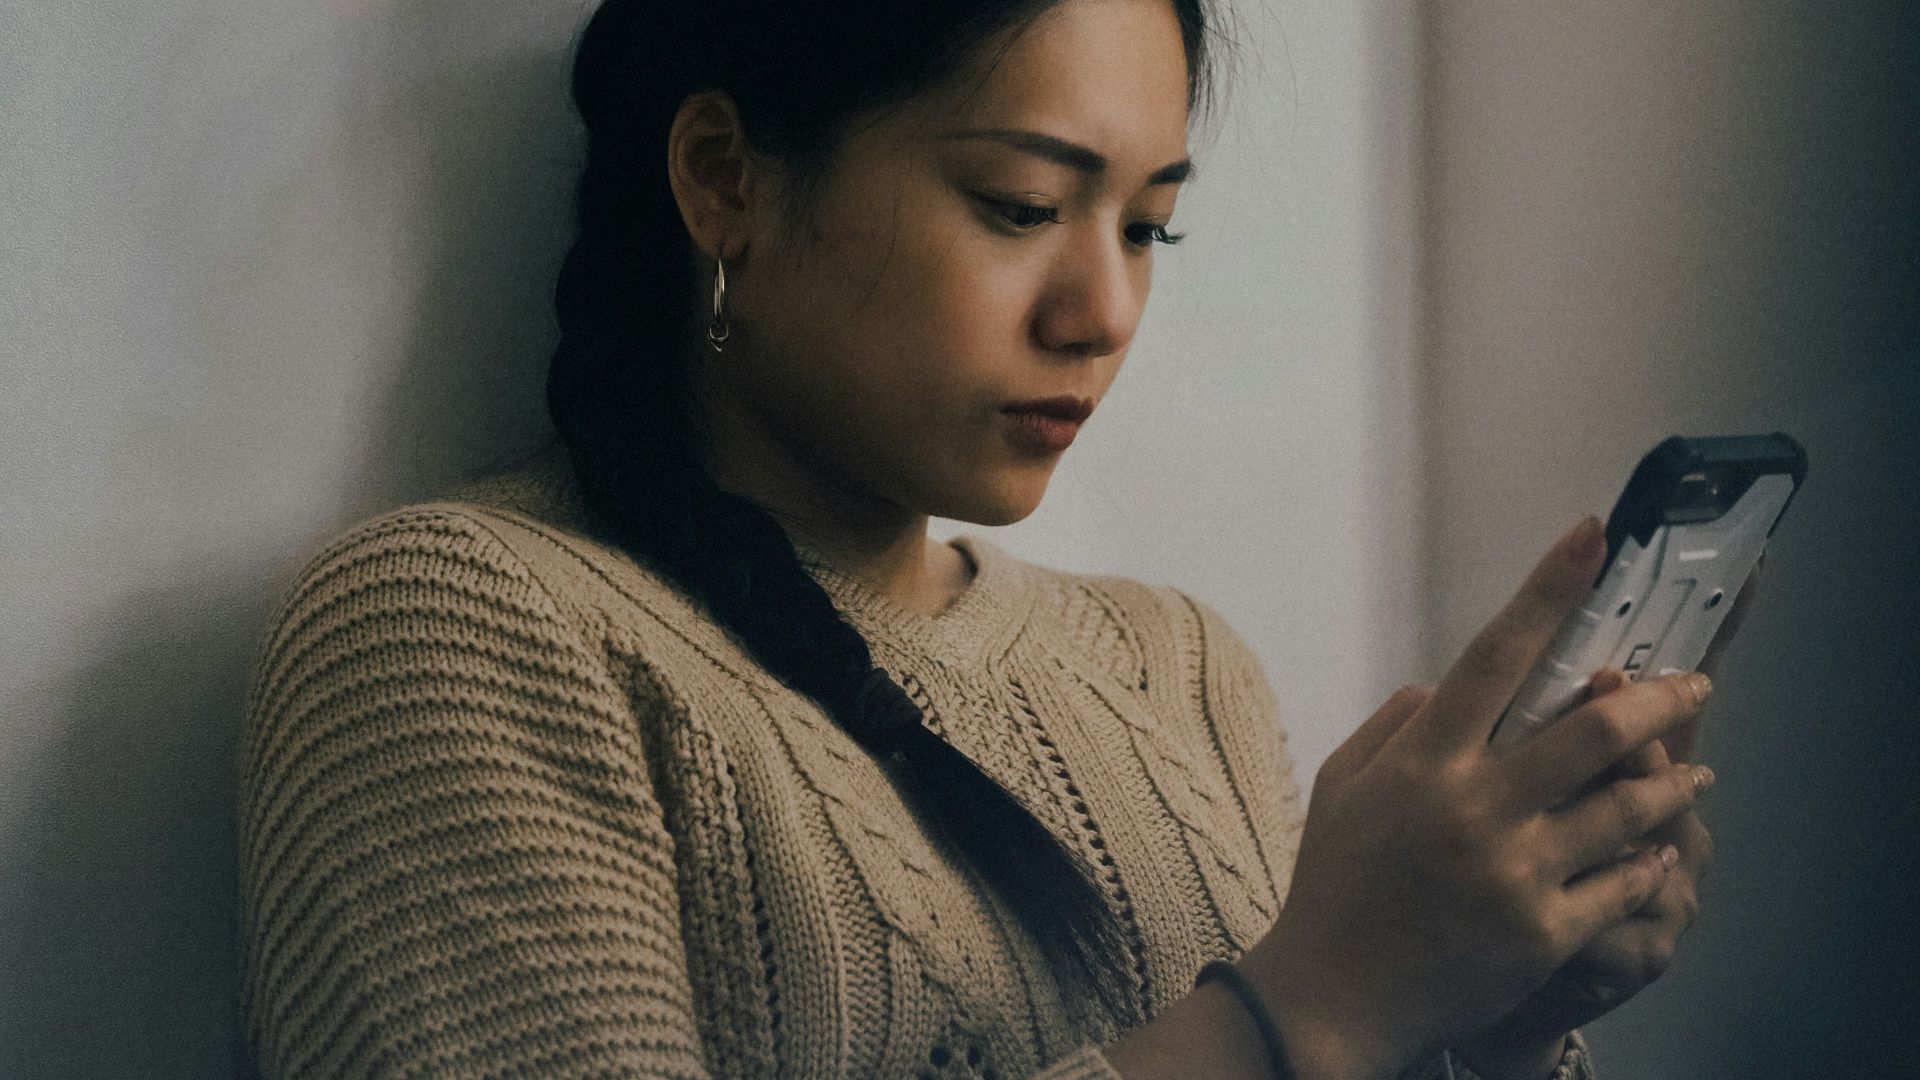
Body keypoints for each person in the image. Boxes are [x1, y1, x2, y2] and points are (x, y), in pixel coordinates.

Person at [235, 0, 1729, 1076]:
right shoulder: (458, 631)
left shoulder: (1178, 665)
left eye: (1148, 228)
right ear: (724, 178)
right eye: (1021, 206)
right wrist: (1304, 1010)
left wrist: (1494, 1022)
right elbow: (1305, 1024)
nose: (1106, 314)